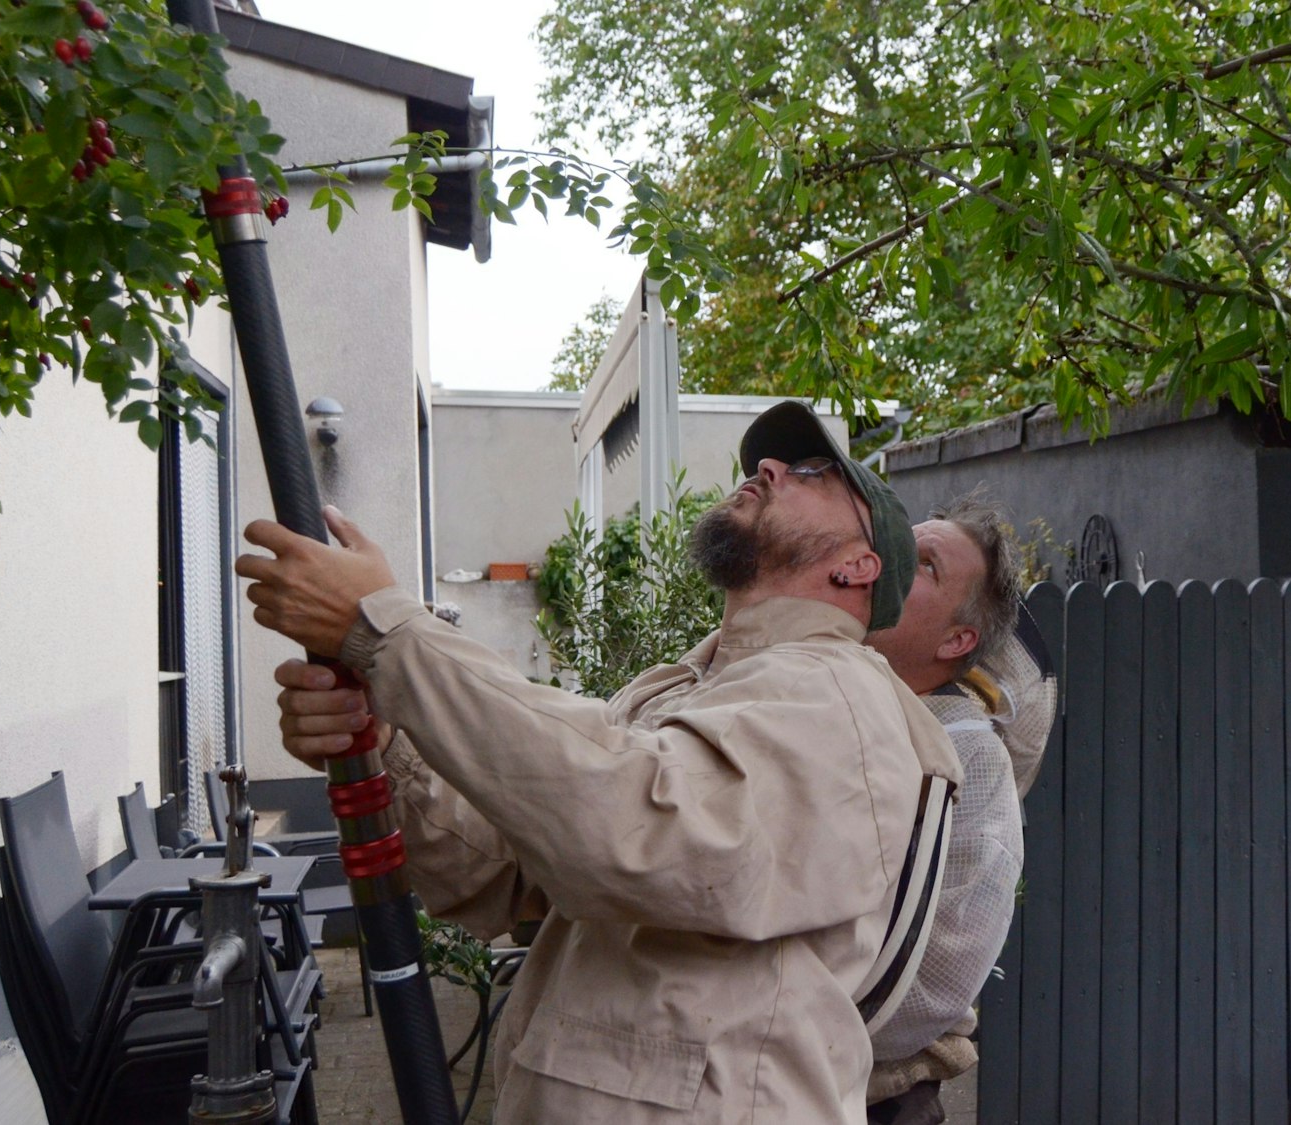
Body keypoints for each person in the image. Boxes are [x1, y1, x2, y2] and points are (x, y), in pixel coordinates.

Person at [236, 401, 961, 1124]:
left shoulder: (841, 693)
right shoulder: (688, 686)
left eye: (810, 472)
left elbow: (637, 828)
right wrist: (386, 741)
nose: (765, 469)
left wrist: (388, 635)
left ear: (858, 565)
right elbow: (507, 872)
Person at [857, 494, 1055, 1125]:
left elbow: (934, 983)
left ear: (957, 639)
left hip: (877, 1100)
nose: (890, 558)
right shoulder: (830, 699)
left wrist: (788, 1032)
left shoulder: (969, 760)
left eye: (923, 564)